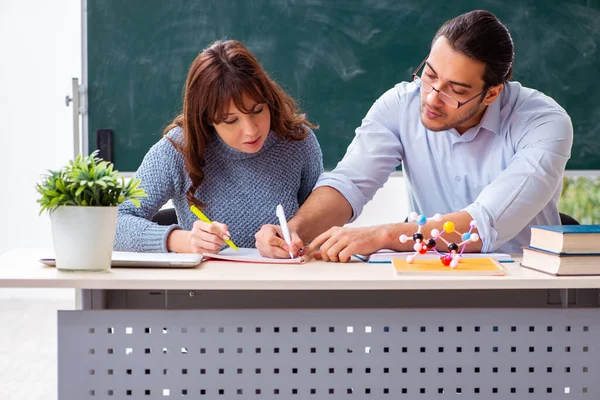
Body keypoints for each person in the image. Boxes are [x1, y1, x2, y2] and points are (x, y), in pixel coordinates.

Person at [255, 10, 573, 262]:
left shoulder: (544, 123)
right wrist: (293, 231)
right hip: (431, 278)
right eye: (430, 75)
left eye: (456, 91)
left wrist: (382, 235)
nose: (432, 98)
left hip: (524, 284)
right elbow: (348, 183)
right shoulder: (400, 105)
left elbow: (484, 224)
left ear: (491, 95)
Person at [115, 40, 323, 254]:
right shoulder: (178, 149)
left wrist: (297, 240)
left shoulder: (298, 142)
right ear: (207, 119)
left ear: (268, 99)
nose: (251, 130)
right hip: (207, 285)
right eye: (231, 120)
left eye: (258, 110)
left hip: (285, 282)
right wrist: (183, 241)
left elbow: (325, 222)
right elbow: (112, 224)